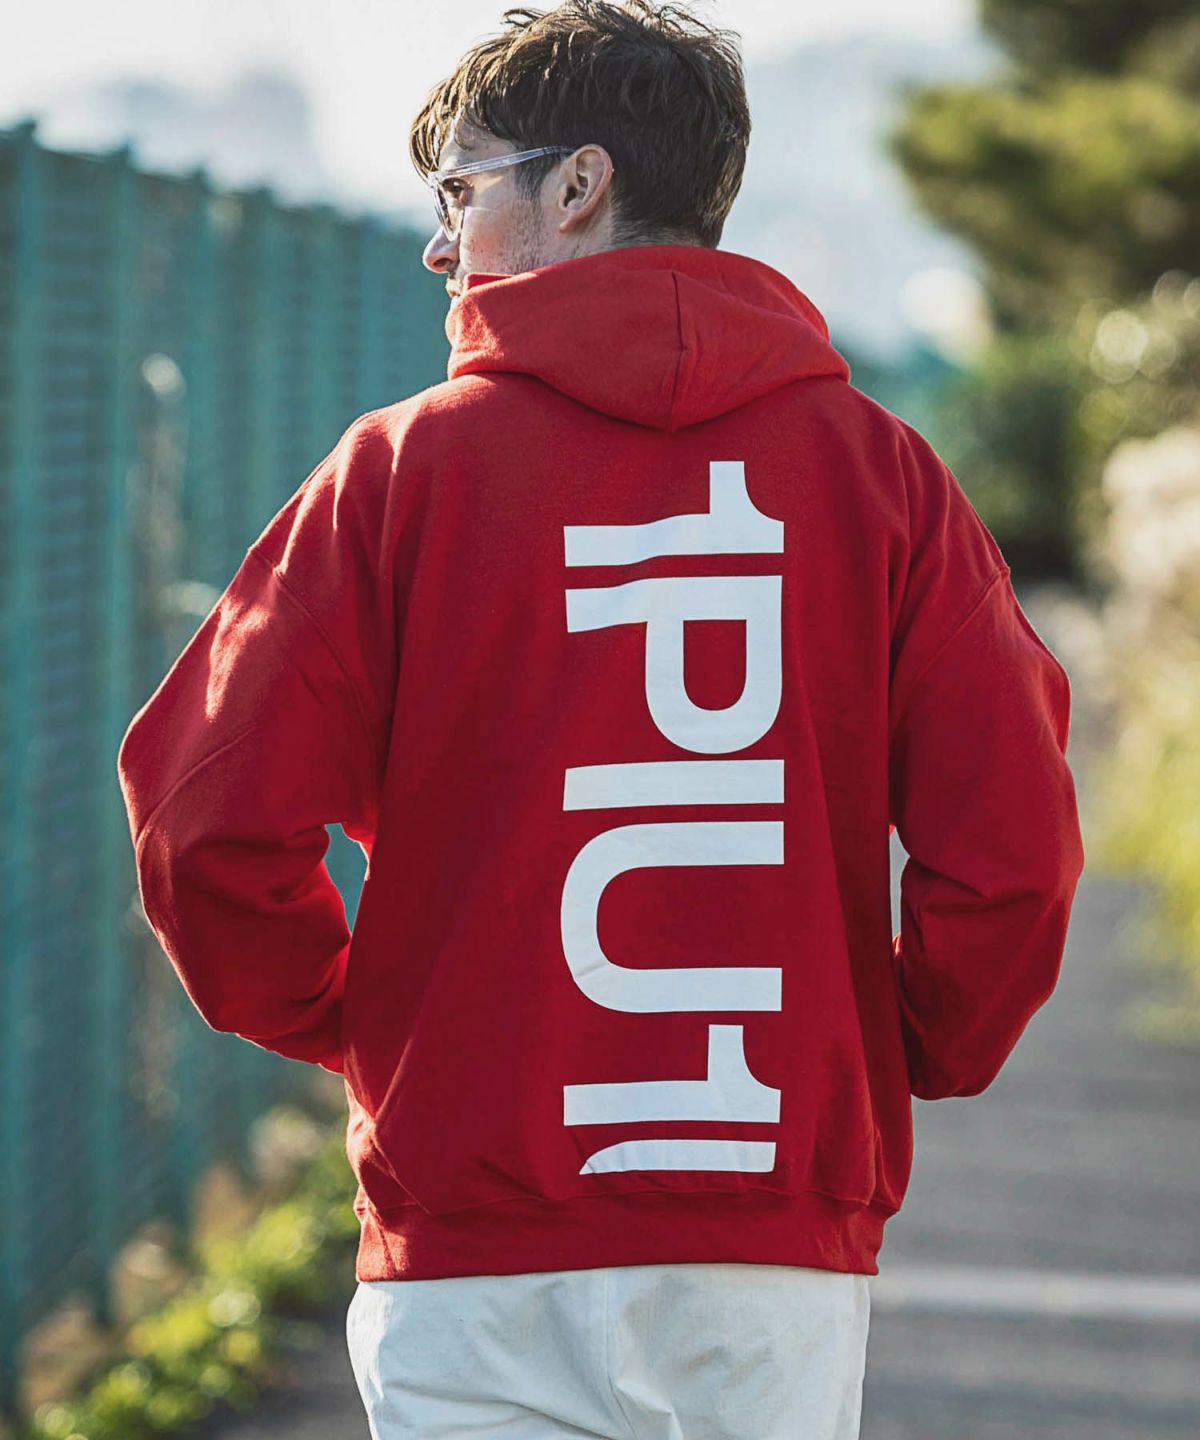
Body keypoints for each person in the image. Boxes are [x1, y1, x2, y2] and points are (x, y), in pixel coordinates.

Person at [115, 2, 1086, 1437]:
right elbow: (1013, 849)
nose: (440, 245)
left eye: (460, 189)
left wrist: (359, 1021)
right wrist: (912, 1040)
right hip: (768, 1236)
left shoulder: (399, 477)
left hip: (478, 1243)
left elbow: (205, 817)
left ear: (577, 185)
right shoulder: (882, 476)